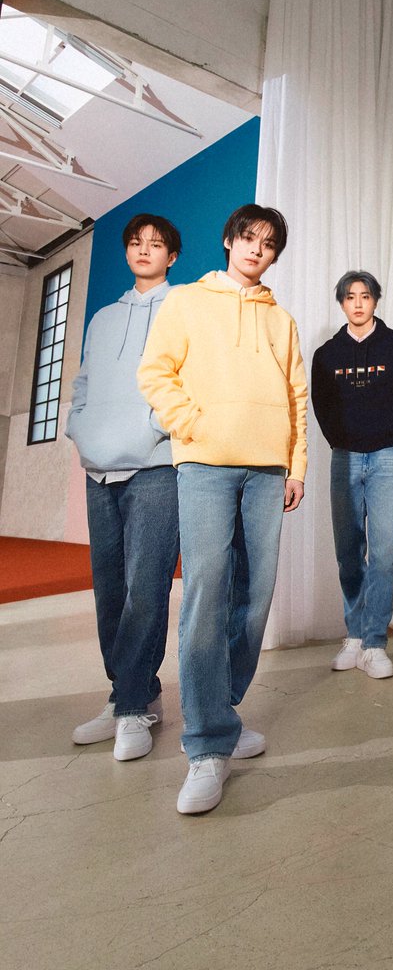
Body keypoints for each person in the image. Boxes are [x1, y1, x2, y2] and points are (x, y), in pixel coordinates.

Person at [138, 203, 307, 813]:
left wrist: (296, 466)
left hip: (268, 471)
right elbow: (155, 374)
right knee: (206, 594)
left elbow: (297, 395)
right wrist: (193, 425)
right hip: (205, 466)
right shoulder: (187, 301)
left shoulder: (281, 320)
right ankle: (207, 744)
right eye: (248, 238)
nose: (257, 249)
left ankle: (220, 710)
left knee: (255, 597)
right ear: (230, 240)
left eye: (269, 243)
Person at [66, 214, 182, 761]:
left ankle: (134, 705)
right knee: (109, 588)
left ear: (172, 257)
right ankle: (128, 695)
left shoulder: (182, 308)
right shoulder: (104, 317)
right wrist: (81, 430)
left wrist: (152, 427)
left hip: (155, 467)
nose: (144, 250)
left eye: (155, 245)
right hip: (99, 468)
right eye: (136, 243)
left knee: (146, 587)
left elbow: (189, 381)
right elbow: (84, 383)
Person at [311, 271, 393, 680]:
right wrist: (344, 443)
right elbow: (322, 408)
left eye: (365, 296)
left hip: (388, 457)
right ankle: (354, 635)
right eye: (350, 296)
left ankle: (375, 643)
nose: (358, 303)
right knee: (348, 551)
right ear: (341, 302)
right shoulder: (327, 355)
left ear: (376, 300)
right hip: (345, 458)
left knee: (385, 553)